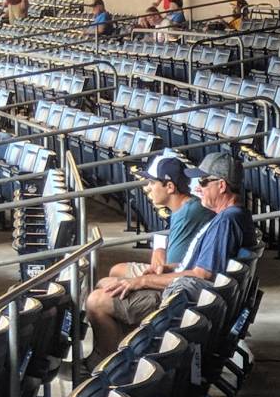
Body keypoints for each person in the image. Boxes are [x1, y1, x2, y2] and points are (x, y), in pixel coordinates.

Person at [84, 152, 210, 357]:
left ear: (170, 187)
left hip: (176, 295)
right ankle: (117, 352)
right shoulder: (183, 208)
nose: (147, 188)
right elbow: (163, 251)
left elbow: (170, 270)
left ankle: (105, 363)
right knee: (109, 280)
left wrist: (141, 280)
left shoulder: (189, 213)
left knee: (97, 300)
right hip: (176, 282)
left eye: (152, 183)